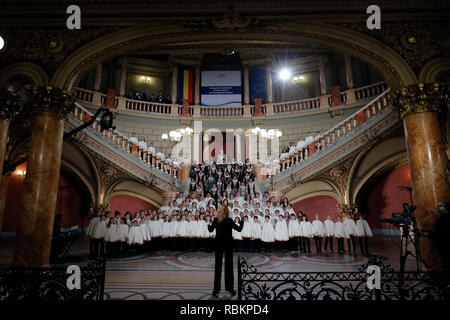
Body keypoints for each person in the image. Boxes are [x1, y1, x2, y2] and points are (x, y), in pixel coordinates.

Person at [208, 205, 244, 299]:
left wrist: (208, 223)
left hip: (218, 245)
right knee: (229, 267)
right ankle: (230, 289)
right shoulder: (229, 220)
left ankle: (216, 290)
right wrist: (242, 221)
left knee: (218, 267)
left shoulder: (216, 220)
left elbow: (210, 230)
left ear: (219, 211)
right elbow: (239, 229)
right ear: (227, 211)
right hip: (228, 245)